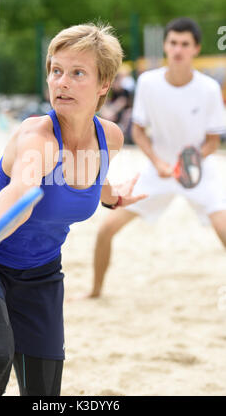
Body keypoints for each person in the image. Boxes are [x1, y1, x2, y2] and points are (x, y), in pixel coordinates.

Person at [0, 23, 147, 397]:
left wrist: (112, 197)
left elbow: (93, 177)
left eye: (77, 73)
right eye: (56, 70)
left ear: (104, 84)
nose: (61, 82)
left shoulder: (109, 137)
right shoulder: (37, 137)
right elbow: (20, 195)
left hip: (41, 274)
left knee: (44, 393)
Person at [88, 17, 226, 299]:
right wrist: (158, 162)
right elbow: (138, 132)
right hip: (156, 170)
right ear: (165, 45)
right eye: (173, 42)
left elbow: (212, 142)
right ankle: (95, 292)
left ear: (196, 49)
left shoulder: (209, 88)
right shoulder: (149, 83)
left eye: (185, 44)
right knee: (106, 229)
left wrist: (190, 162)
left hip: (197, 171)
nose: (178, 49)